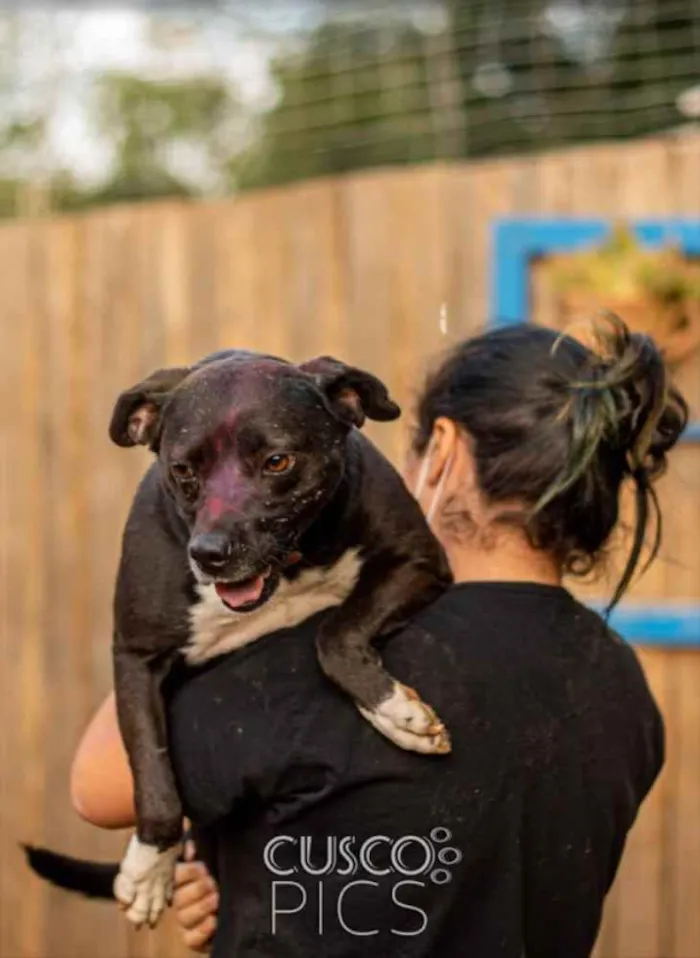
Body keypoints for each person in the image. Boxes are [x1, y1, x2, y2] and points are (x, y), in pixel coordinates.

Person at [70, 319, 687, 958]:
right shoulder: (621, 683)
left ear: (441, 453)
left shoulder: (297, 673)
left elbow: (97, 783)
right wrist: (242, 877)